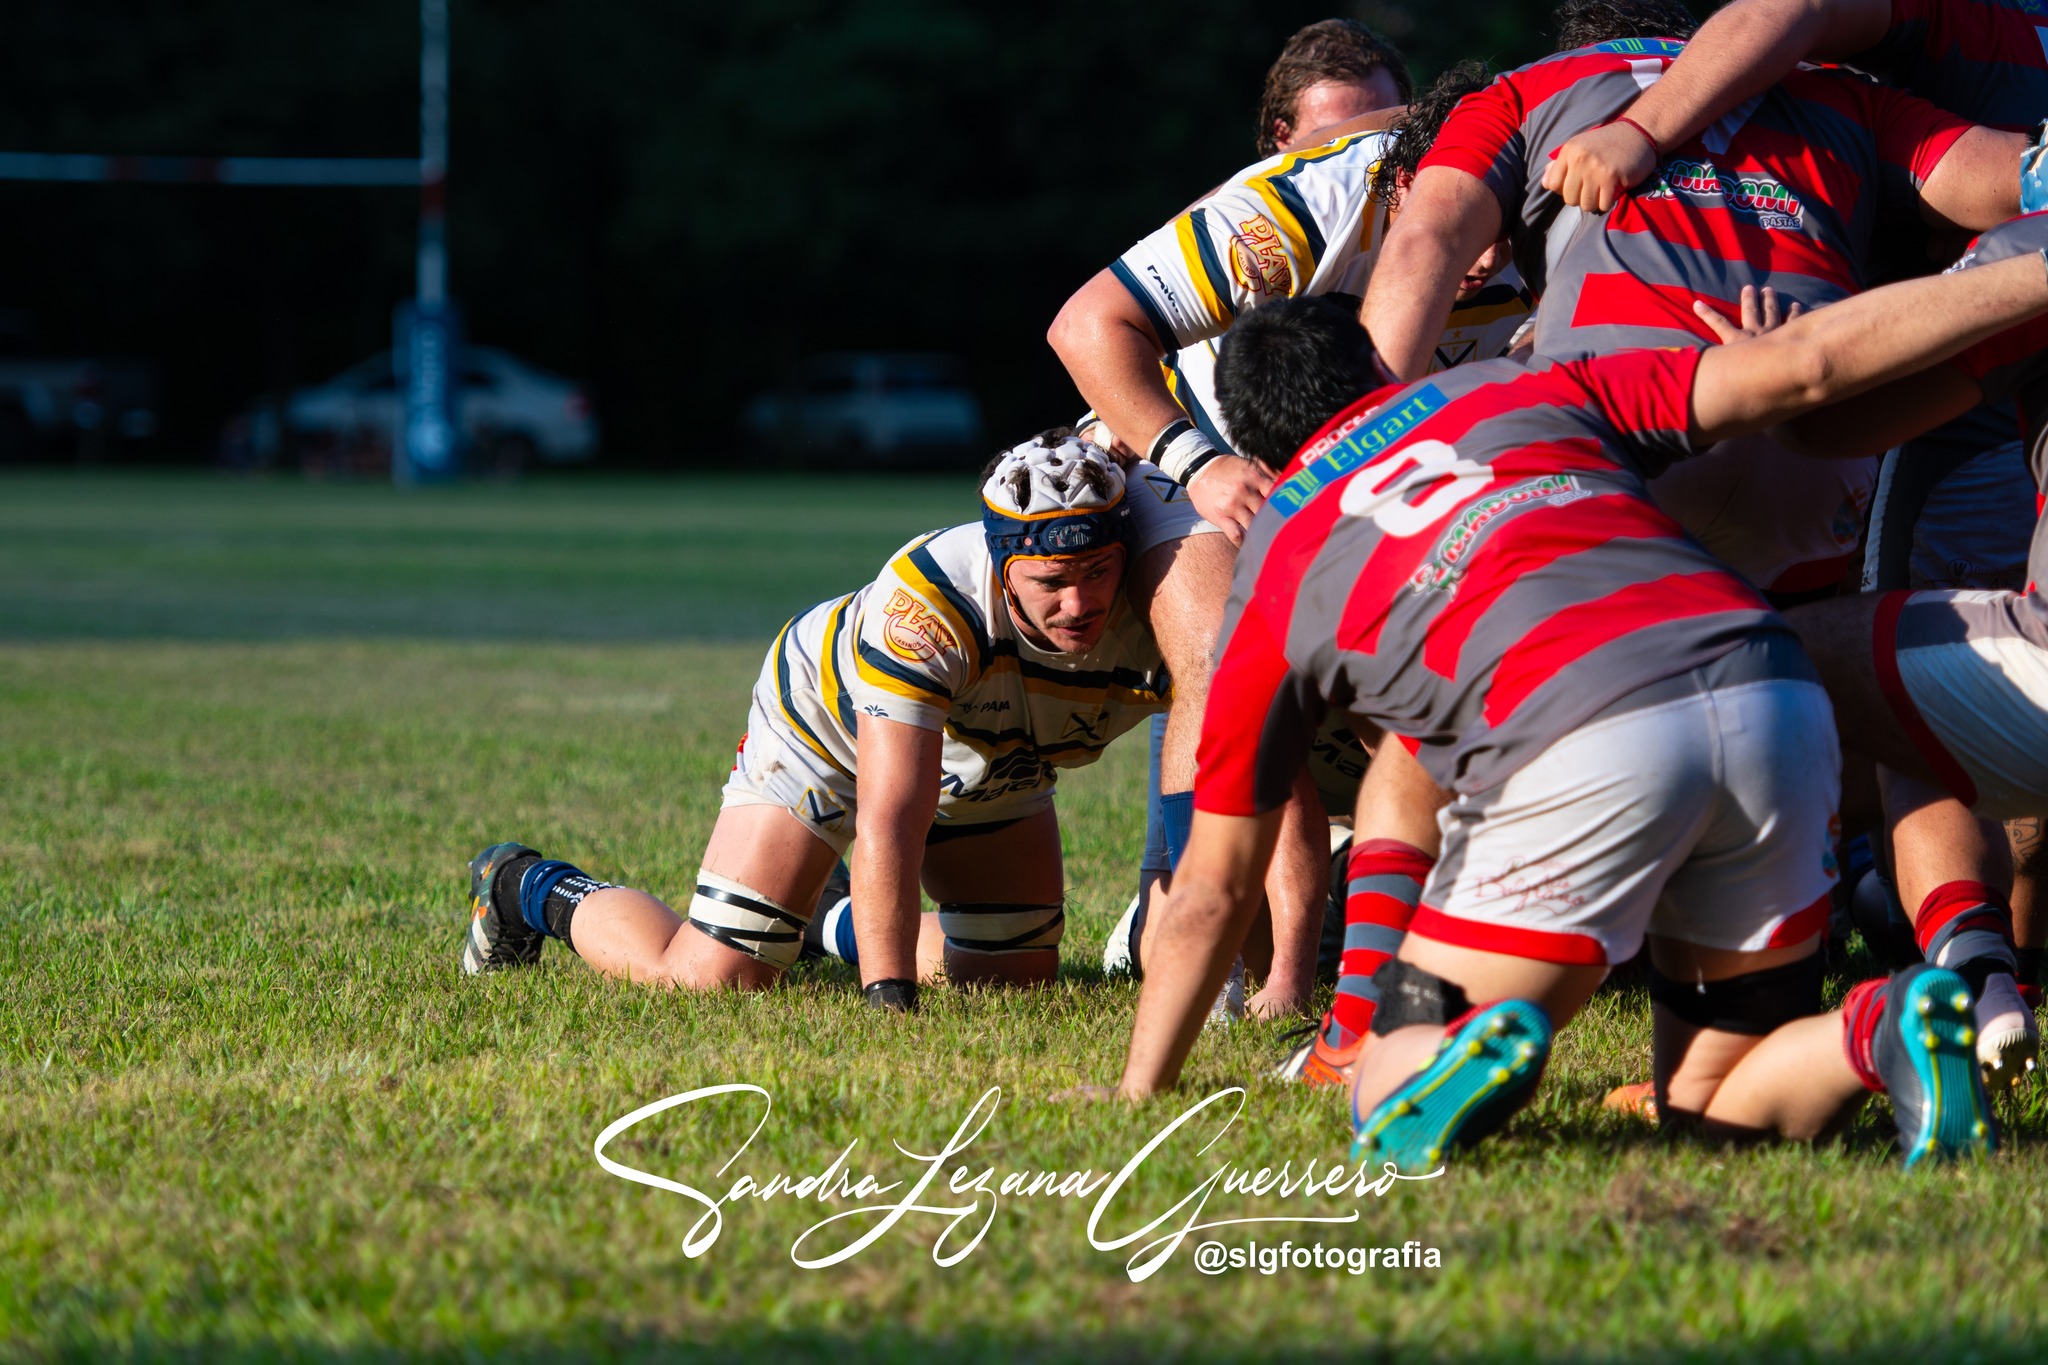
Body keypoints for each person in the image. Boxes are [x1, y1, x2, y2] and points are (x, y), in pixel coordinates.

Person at [1112, 238, 2048, 1169]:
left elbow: (1212, 888)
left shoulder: (1277, 553)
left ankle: (1433, 1042)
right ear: (1374, 364)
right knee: (1718, 1102)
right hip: (1768, 687)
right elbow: (1802, 369)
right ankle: (1882, 1028)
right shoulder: (1517, 389)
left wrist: (1137, 1091)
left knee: (1380, 1092)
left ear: (1260, 447)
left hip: (1578, 734)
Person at [459, 435, 1201, 1012]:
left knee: (1007, 979)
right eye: (1052, 582)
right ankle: (523, 885)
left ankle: (826, 919)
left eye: (1098, 570)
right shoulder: (931, 603)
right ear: (1004, 569)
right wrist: (889, 997)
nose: (1080, 603)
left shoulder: (1168, 604)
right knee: (713, 976)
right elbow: (890, 818)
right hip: (833, 731)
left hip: (987, 753)